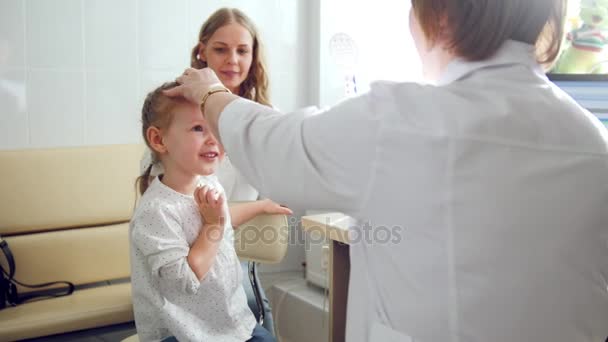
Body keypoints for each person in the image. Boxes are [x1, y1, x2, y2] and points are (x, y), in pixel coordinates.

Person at [167, 0, 608, 341]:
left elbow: (275, 148)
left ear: (437, 16)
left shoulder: (400, 120)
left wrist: (209, 92)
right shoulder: (592, 140)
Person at [131, 82, 283, 342]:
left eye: (216, 128)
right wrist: (212, 226)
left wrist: (261, 206)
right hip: (182, 332)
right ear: (158, 139)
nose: (213, 138)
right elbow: (185, 280)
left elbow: (220, 220)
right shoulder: (156, 211)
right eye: (198, 128)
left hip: (229, 323)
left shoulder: (208, 182)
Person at [141, 7, 270, 203]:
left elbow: (277, 194)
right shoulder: (177, 107)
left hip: (254, 230)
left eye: (242, 51)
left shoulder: (264, 117)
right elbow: (169, 203)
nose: (232, 60)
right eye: (220, 49)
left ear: (253, 55)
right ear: (203, 52)